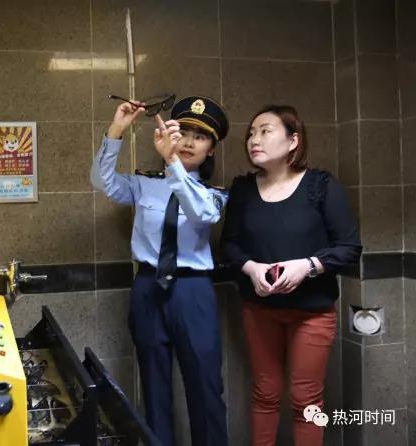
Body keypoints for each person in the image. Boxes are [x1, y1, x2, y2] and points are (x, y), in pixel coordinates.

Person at [91, 95, 230, 446]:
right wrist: (117, 131)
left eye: (200, 136)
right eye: (183, 132)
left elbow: (202, 214)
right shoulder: (144, 183)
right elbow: (102, 181)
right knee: (153, 387)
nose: (188, 142)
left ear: (211, 149)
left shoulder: (212, 194)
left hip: (193, 292)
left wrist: (173, 164)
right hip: (148, 288)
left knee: (205, 387)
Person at [221, 105, 362, 446]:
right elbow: (229, 245)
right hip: (260, 310)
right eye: (251, 133)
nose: (254, 139)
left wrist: (307, 266)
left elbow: (350, 247)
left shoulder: (321, 185)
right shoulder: (242, 189)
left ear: (293, 140)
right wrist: (251, 268)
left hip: (312, 312)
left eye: (265, 131)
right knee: (265, 393)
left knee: (306, 399)